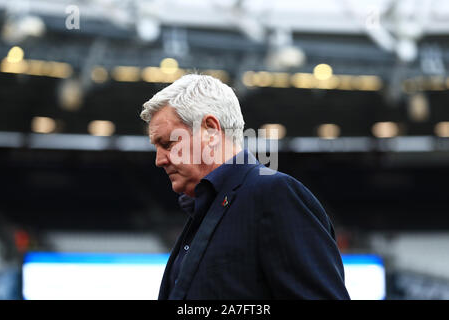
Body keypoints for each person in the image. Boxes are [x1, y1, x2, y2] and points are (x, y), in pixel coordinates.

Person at [140, 74, 350, 300]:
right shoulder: (207, 208)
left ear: (210, 130)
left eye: (168, 143)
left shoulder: (274, 194)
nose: (159, 160)